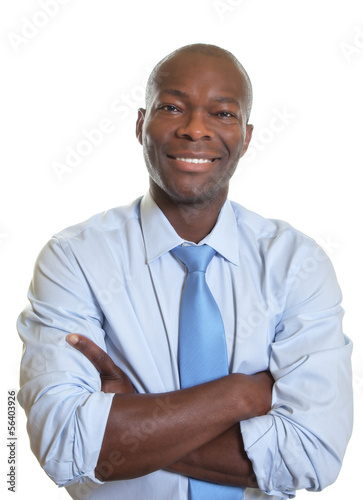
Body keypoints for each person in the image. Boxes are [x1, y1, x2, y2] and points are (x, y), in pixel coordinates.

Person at [17, 43, 353, 500]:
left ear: (248, 137)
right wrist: (240, 395)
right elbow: (65, 443)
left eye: (223, 113)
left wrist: (130, 420)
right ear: (141, 125)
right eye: (173, 107)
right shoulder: (74, 258)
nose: (196, 130)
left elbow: (312, 454)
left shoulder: (296, 263)